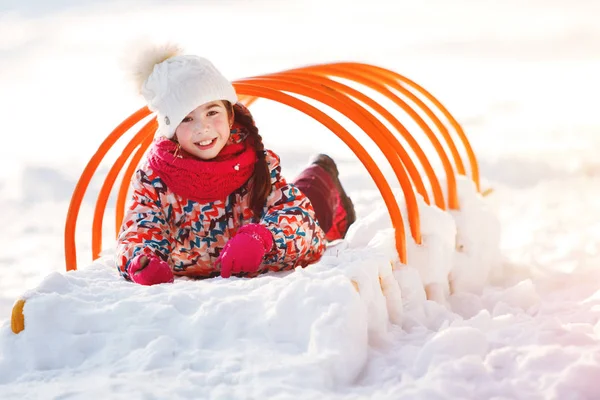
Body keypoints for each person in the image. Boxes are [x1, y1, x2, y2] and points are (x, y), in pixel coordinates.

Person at [115, 44, 356, 285]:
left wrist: (263, 238)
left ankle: (322, 171)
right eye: (187, 118)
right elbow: (140, 227)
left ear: (231, 115)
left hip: (269, 239)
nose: (203, 128)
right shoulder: (155, 180)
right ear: (171, 130)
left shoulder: (255, 163)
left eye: (212, 112)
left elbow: (299, 220)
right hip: (199, 263)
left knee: (313, 199)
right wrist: (142, 261)